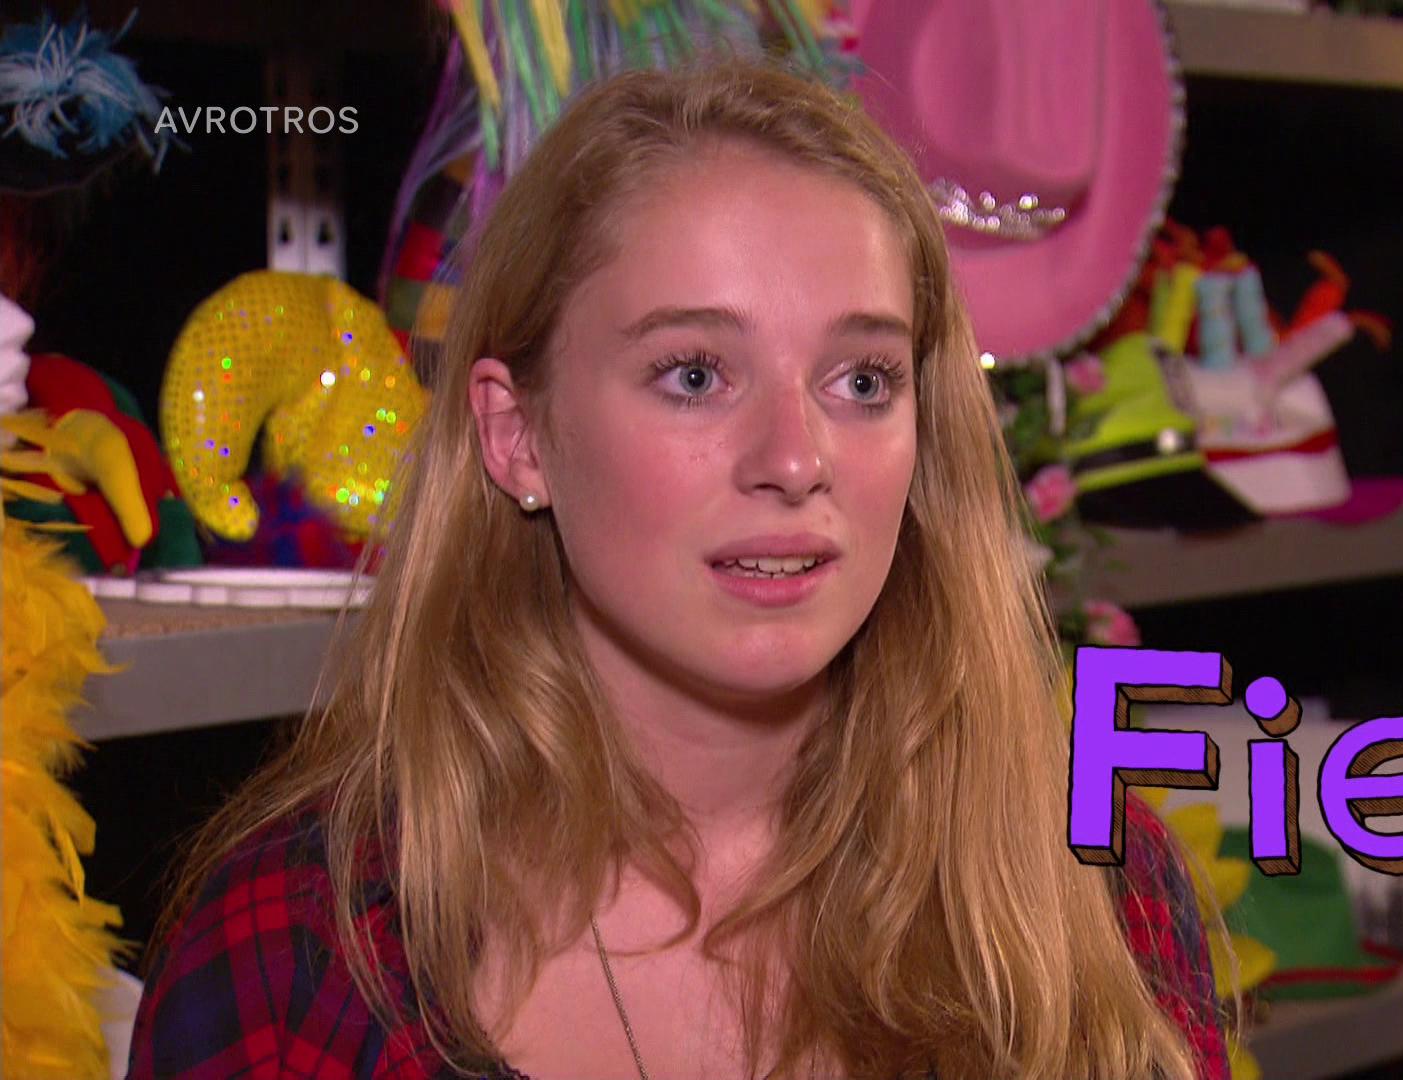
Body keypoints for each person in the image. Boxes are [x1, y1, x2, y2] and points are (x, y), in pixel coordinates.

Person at [127, 60, 1231, 1080]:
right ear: (518, 436)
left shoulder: (1091, 897)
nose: (795, 460)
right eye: (696, 374)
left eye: (861, 380)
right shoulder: (293, 959)